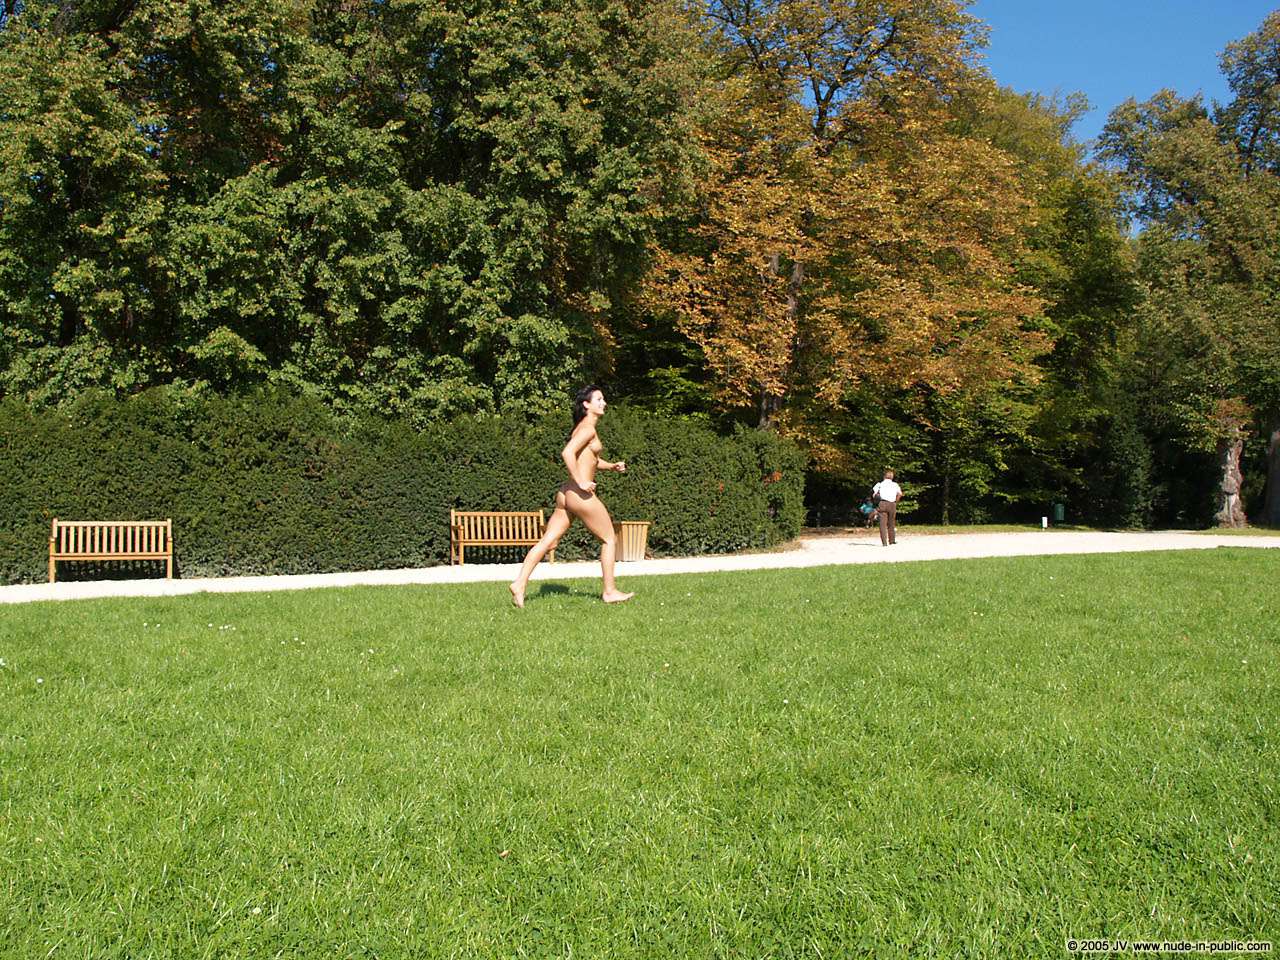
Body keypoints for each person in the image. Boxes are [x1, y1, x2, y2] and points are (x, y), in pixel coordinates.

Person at [509, 385, 635, 608]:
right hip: (579, 493)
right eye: (599, 399)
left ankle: (519, 583)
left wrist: (611, 466)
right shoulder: (587, 429)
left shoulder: (582, 428)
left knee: (548, 541)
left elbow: (590, 459)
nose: (604, 403)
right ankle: (609, 592)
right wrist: (581, 482)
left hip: (565, 494)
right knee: (609, 539)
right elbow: (567, 453)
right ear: (586, 404)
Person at [871, 469, 902, 546]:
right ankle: (892, 541)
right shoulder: (895, 485)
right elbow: (900, 494)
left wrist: (876, 501)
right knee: (891, 523)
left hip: (883, 503)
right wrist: (895, 501)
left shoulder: (879, 484)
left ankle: (884, 542)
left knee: (882, 524)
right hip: (892, 504)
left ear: (884, 476)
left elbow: (874, 495)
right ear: (892, 477)